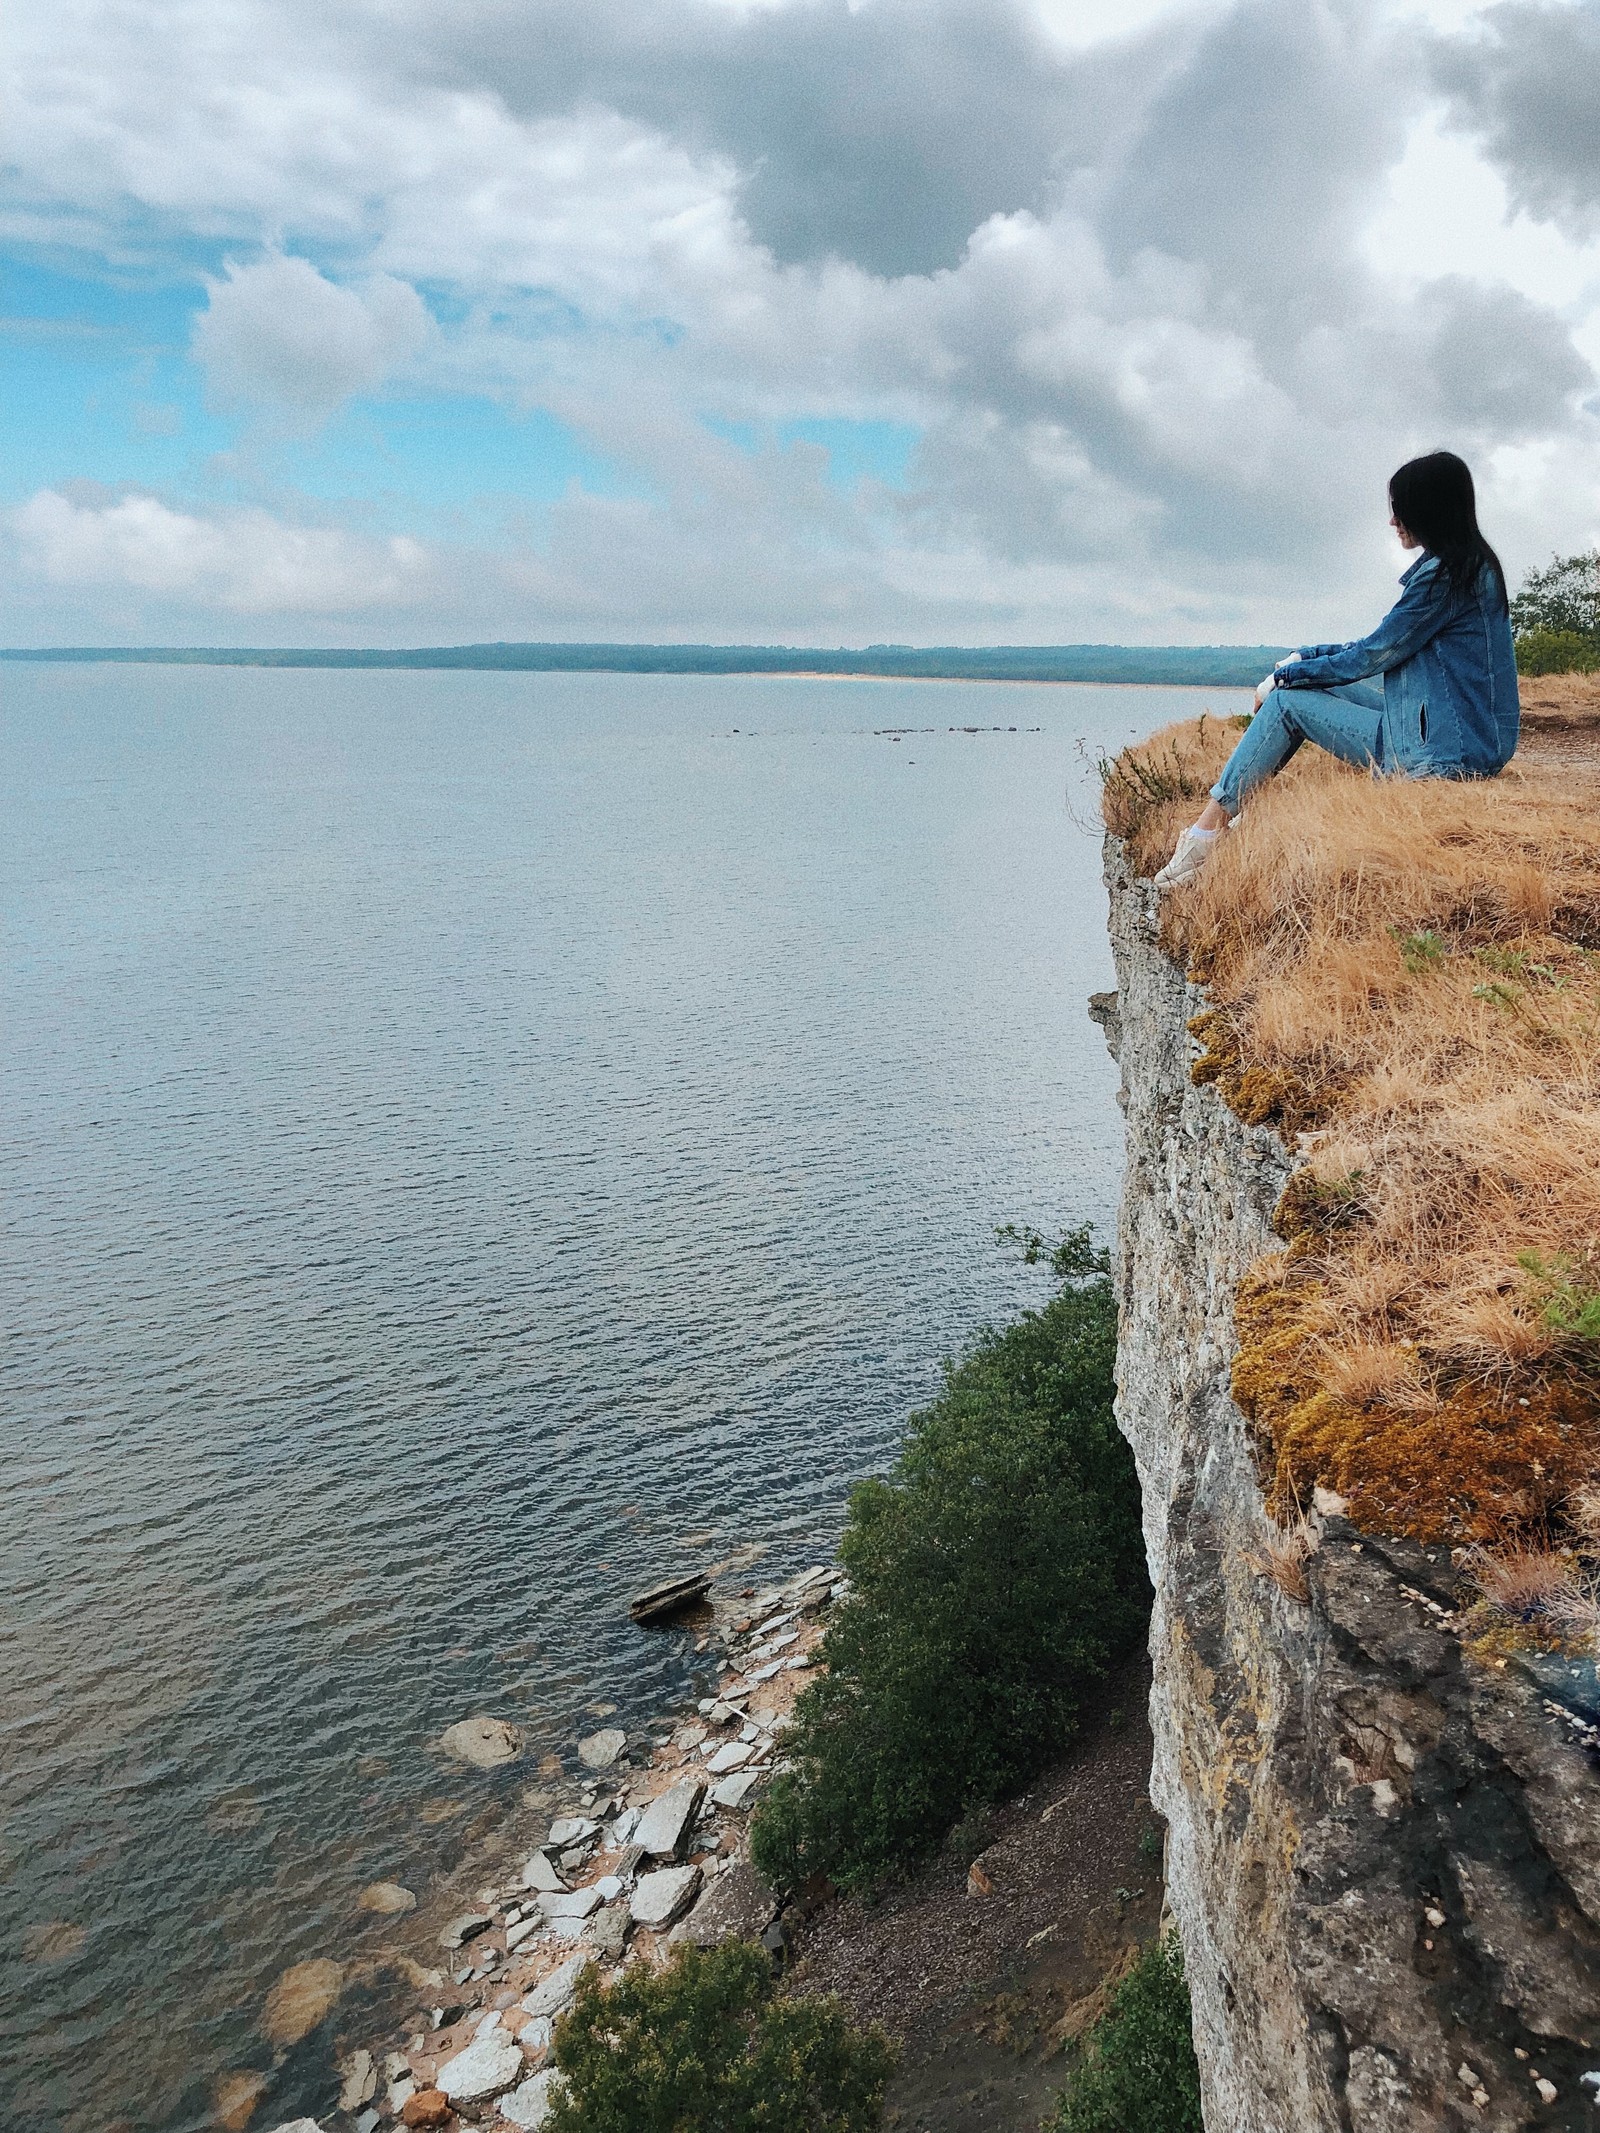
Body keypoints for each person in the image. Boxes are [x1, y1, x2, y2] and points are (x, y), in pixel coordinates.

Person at [1153, 451, 1519, 889]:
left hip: (1439, 753)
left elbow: (1372, 656)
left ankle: (1205, 835)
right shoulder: (1469, 568)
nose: (1392, 522)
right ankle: (1221, 823)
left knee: (1287, 703)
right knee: (1298, 690)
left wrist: (1283, 678)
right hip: (1454, 734)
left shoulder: (1443, 579)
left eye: (1399, 509)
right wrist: (1304, 657)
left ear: (1428, 510)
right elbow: (1378, 643)